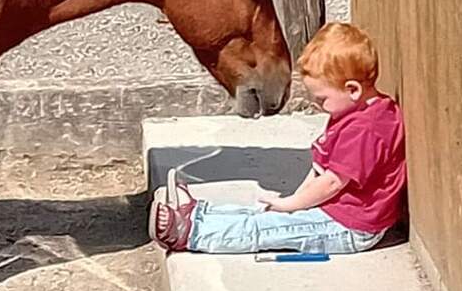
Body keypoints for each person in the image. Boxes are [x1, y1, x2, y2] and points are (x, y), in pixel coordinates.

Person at [148, 22, 407, 255]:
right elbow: (320, 171)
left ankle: (191, 233)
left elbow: (331, 183)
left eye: (321, 99)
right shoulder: (357, 110)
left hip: (348, 226)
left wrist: (291, 204)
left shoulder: (365, 130)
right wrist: (293, 203)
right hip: (335, 213)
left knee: (266, 228)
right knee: (264, 210)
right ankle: (198, 214)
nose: (317, 105)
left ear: (352, 89)